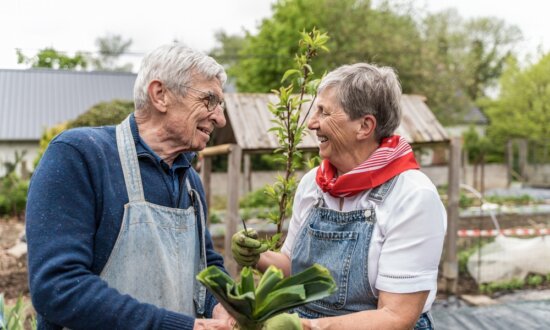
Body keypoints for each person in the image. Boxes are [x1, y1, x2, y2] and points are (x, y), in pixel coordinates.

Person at [26, 43, 235, 330]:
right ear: (160, 95)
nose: (220, 118)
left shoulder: (190, 182)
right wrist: (180, 327)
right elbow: (58, 287)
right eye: (209, 100)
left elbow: (206, 264)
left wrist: (222, 304)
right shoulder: (80, 156)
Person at [232, 63, 447, 329]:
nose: (312, 123)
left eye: (324, 112)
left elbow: (395, 317)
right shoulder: (313, 184)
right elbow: (293, 267)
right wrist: (256, 258)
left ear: (364, 126)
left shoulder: (412, 196)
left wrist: (307, 327)